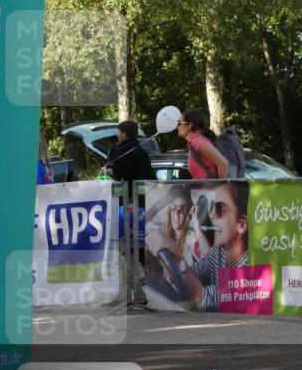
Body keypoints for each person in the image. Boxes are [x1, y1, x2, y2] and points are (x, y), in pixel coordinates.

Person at [146, 181, 248, 312]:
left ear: (241, 225)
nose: (211, 215)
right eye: (211, 207)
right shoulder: (218, 253)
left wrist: (177, 255)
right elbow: (193, 273)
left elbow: (200, 298)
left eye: (220, 209)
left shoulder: (249, 268)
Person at [178, 109, 228, 180]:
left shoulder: (197, 141)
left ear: (189, 125)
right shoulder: (194, 142)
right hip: (203, 186)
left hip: (209, 187)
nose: (178, 127)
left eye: (179, 123)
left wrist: (222, 185)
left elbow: (223, 163)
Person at [106, 120, 155, 185]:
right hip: (144, 188)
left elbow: (118, 173)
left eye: (119, 132)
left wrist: (110, 170)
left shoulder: (121, 150)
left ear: (124, 134)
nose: (118, 135)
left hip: (127, 189)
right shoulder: (143, 152)